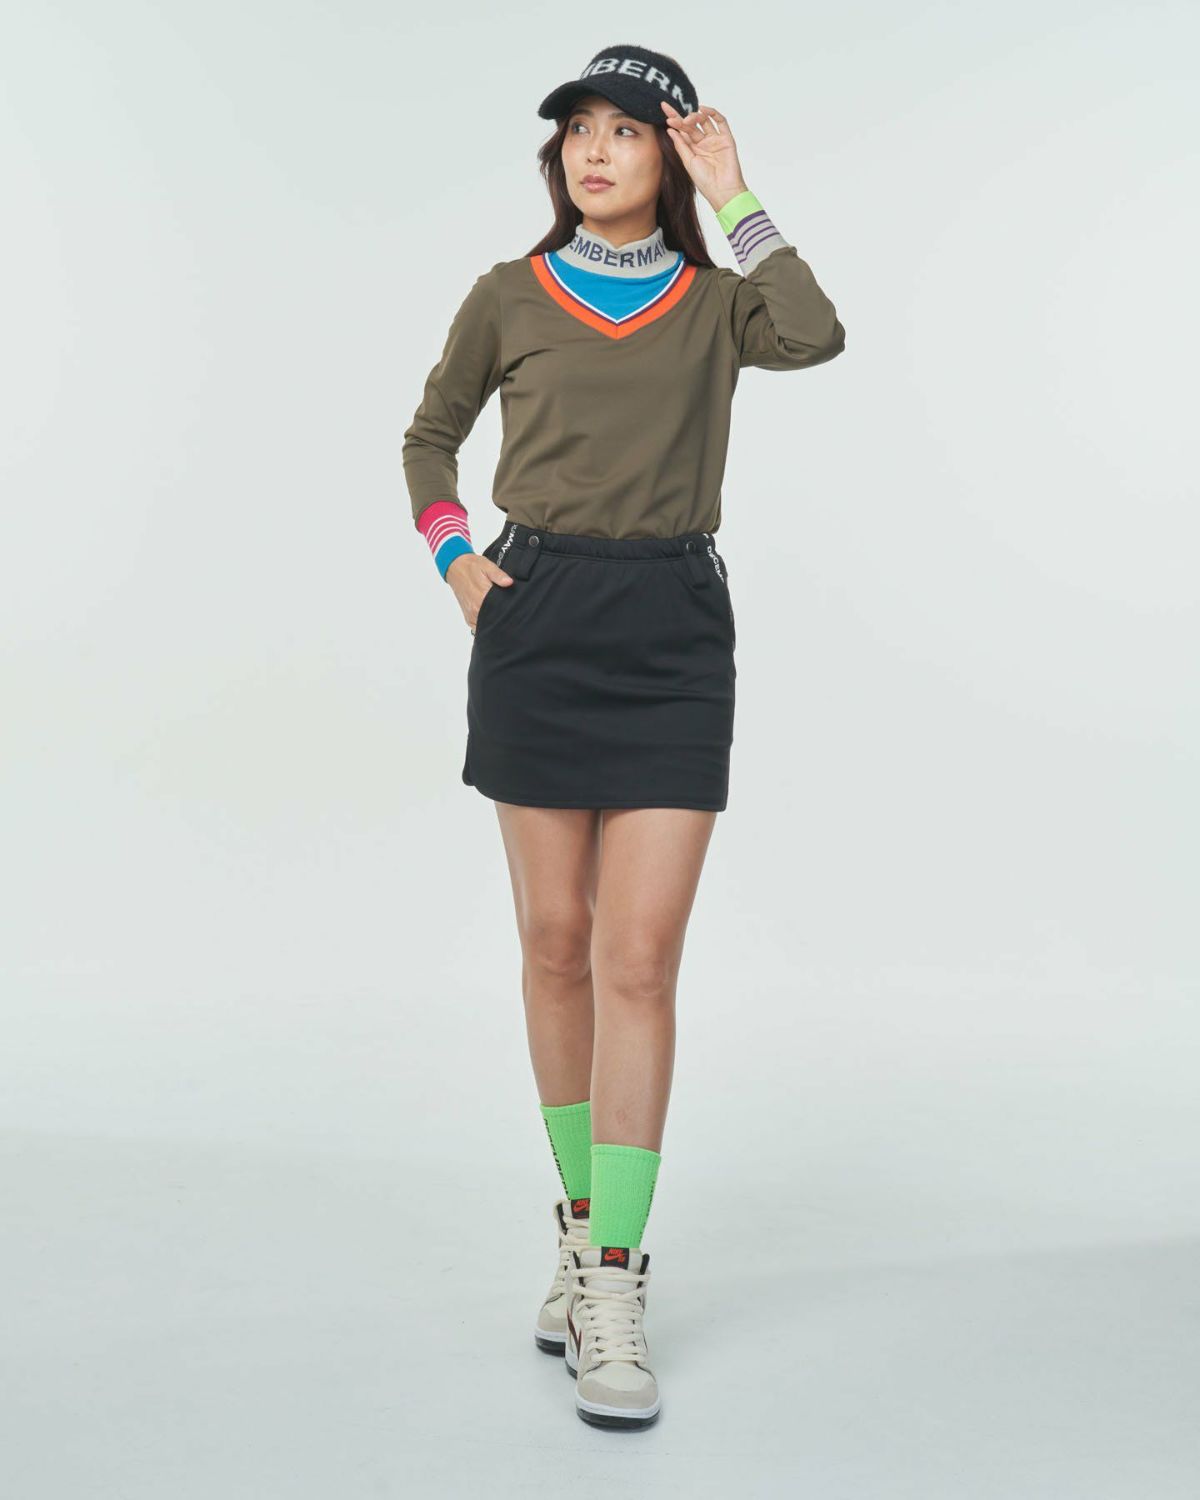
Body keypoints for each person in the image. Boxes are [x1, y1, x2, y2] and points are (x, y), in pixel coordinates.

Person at [402, 43, 845, 1430]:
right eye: (579, 131)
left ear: (669, 155)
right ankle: (582, 1224)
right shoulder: (506, 294)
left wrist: (739, 192)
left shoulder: (718, 305)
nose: (596, 151)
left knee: (636, 960)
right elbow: (428, 437)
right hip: (537, 622)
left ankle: (612, 1281)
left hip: (671, 632)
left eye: (628, 132)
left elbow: (816, 330)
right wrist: (458, 560)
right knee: (555, 944)